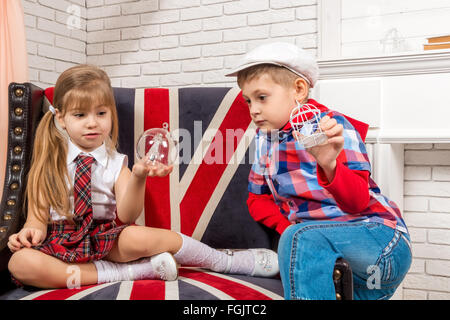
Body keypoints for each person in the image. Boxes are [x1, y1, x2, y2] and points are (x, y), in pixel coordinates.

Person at [7, 64, 278, 289]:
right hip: (58, 242)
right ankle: (131, 272)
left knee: (143, 237)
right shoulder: (48, 160)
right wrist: (30, 233)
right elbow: (36, 219)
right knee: (19, 263)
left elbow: (126, 215)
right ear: (61, 118)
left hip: (104, 240)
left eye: (101, 113)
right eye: (80, 115)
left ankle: (222, 261)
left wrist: (138, 175)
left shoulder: (115, 162)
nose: (93, 122)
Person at [225, 42, 412, 300]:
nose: (253, 109)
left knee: (301, 239)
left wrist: (329, 164)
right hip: (333, 263)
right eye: (248, 101)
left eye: (262, 97)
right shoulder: (264, 139)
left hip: (380, 243)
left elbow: (358, 202)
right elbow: (257, 198)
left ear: (299, 90)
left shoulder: (334, 128)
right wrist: (289, 228)